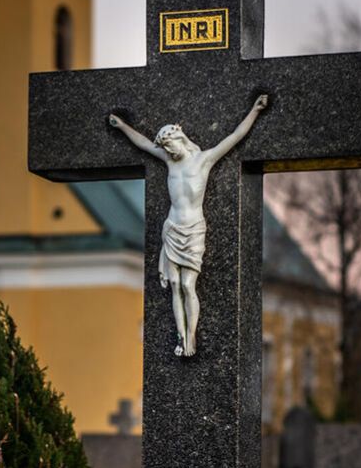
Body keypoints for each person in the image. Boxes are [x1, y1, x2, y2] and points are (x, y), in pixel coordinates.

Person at [109, 94, 268, 356]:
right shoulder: (169, 161)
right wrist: (123, 126)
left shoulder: (204, 160)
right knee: (174, 285)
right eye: (167, 149)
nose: (170, 152)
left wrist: (254, 110)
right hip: (172, 228)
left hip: (193, 228)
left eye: (172, 146)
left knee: (187, 285)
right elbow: (145, 145)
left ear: (180, 140)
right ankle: (181, 338)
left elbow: (235, 136)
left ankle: (191, 337)